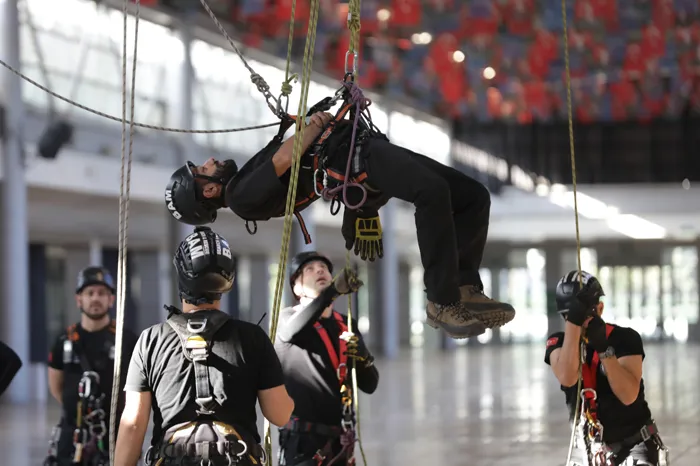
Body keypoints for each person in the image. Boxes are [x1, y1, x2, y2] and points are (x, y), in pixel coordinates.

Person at [164, 99, 516, 340]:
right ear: (209, 190)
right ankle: (441, 300)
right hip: (358, 159)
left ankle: (464, 286)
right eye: (202, 170)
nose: (210, 162)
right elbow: (284, 159)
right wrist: (313, 126)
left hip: (359, 148)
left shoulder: (242, 184)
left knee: (472, 195)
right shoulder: (241, 196)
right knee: (432, 192)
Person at [114, 226, 294, 466]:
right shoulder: (252, 338)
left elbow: (133, 423)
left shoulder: (151, 340)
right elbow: (279, 415)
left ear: (181, 276)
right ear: (227, 280)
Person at [544, 271, 669, 466]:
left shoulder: (624, 338)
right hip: (588, 450)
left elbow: (628, 395)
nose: (581, 322)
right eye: (570, 317)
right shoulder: (557, 344)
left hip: (633, 444)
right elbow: (568, 377)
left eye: (585, 315)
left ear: (600, 309)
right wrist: (574, 324)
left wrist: (604, 351)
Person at [275, 251, 378, 466]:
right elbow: (292, 330)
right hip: (303, 444)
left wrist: (364, 357)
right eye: (310, 269)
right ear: (297, 288)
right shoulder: (287, 319)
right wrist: (333, 292)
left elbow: (370, 385)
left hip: (340, 442)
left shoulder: (346, 324)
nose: (319, 270)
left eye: (323, 268)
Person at [46, 266, 139, 466]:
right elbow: (56, 386)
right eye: (90, 293)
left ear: (111, 299)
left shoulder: (127, 340)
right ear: (79, 299)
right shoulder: (64, 341)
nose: (96, 298)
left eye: (102, 293)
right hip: (72, 440)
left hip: (114, 438)